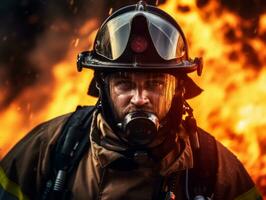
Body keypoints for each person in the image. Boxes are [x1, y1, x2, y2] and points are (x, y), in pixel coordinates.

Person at [0, 1, 262, 200]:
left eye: (155, 84)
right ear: (102, 87)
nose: (139, 99)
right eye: (124, 83)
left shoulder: (211, 165)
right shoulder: (51, 148)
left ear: (178, 91)